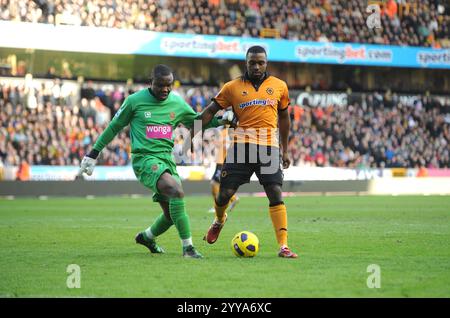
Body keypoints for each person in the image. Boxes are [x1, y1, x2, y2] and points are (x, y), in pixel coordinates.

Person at [78, 64, 228, 259]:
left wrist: (222, 119)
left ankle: (147, 237)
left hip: (167, 160)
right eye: (160, 85)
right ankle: (188, 249)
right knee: (177, 191)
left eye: (169, 85)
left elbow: (198, 121)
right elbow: (114, 127)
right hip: (144, 160)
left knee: (170, 215)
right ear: (151, 83)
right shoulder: (134, 101)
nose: (165, 89)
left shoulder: (177, 103)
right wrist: (93, 153)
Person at [200, 45, 298, 258]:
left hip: (269, 148)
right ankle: (219, 220)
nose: (256, 66)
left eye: (260, 62)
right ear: (246, 62)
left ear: (266, 63)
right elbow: (210, 111)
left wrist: (286, 150)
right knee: (223, 194)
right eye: (252, 62)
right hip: (241, 147)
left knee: (275, 192)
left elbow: (284, 118)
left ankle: (283, 246)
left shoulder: (279, 86)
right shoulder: (231, 87)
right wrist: (193, 133)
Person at [208, 125, 239, 213]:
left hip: (223, 162)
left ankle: (221, 203)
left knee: (214, 183)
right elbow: (221, 145)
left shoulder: (228, 132)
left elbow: (228, 146)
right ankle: (232, 198)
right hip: (221, 161)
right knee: (219, 184)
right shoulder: (224, 131)